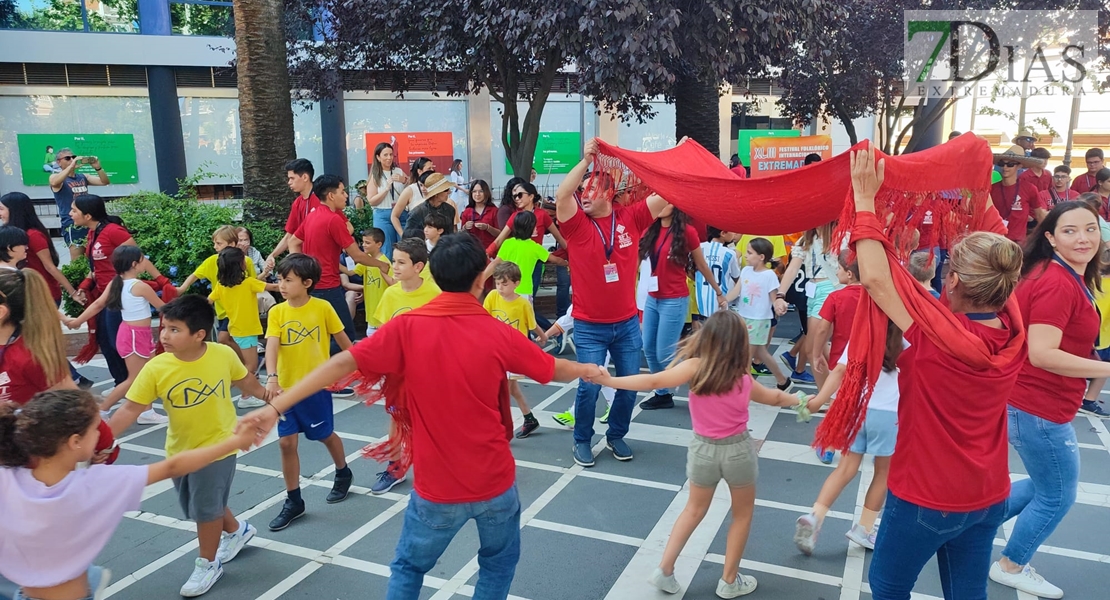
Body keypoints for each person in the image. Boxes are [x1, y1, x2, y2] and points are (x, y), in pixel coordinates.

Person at [239, 233, 597, 600]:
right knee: (498, 564)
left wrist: (275, 405)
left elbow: (344, 361)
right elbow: (553, 368)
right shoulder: (496, 332)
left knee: (409, 568)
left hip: (436, 490)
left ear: (434, 276)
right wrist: (590, 369)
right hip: (495, 483)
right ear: (481, 279)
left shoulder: (407, 326)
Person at [848, 147, 1027, 600]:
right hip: (987, 494)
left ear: (953, 282)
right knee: (967, 593)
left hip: (928, 497)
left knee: (889, 587)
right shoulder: (1013, 328)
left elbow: (873, 279)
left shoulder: (939, 337)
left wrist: (865, 200)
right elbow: (998, 245)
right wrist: (981, 192)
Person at [593, 310, 810, 598]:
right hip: (738, 451)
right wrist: (803, 401)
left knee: (693, 509)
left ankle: (665, 569)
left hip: (703, 450)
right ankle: (729, 581)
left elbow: (653, 382)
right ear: (739, 344)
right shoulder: (742, 378)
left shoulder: (695, 367)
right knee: (742, 515)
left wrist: (609, 381)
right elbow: (777, 397)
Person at [0, 390, 254, 600]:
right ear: (75, 441)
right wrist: (233, 442)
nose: (101, 433)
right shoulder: (97, 483)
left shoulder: (8, 477)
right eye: (95, 429)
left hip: (24, 593)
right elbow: (173, 466)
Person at [108, 295, 269, 597]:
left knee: (205, 510)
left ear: (199, 334)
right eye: (164, 328)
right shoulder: (157, 367)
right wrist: (104, 440)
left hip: (220, 445)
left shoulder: (222, 354)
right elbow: (131, 409)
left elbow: (246, 382)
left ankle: (207, 564)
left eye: (174, 330)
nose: (164, 335)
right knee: (202, 504)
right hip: (180, 450)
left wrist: (271, 399)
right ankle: (236, 532)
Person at [990, 201, 1110, 598]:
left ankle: (971, 526)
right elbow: (1043, 352)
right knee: (1058, 494)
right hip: (1037, 404)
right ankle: (1011, 564)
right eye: (1071, 230)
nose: (1083, 238)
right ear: (1051, 237)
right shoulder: (1057, 281)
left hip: (1033, 402)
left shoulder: (1056, 273)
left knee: (1044, 484)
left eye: (1090, 229)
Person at [554, 137, 670, 467]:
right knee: (589, 388)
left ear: (607, 192)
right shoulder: (576, 225)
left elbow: (667, 196)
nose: (582, 197)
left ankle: (617, 435)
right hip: (590, 325)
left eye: (589, 190)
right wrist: (586, 161)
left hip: (626, 324)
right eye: (582, 192)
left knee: (630, 386)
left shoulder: (630, 218)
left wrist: (675, 159)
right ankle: (581, 439)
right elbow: (563, 195)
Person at [264, 254, 356, 532]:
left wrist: (358, 365)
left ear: (307, 283)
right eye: (279, 279)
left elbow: (344, 342)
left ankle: (343, 472)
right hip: (285, 390)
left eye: (287, 280)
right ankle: (294, 500)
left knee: (324, 435)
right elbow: (271, 346)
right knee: (285, 443)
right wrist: (271, 378)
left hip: (316, 387)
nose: (281, 285)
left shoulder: (323, 308)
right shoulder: (277, 312)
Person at [794, 325, 902, 555]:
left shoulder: (864, 334)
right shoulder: (907, 338)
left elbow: (839, 371)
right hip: (889, 413)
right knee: (883, 473)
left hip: (858, 409)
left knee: (845, 468)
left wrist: (818, 402)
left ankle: (815, 517)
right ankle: (864, 528)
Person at [366, 238, 441, 494]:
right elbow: (383, 332)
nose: (394, 267)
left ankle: (435, 470)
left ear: (418, 266)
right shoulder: (391, 294)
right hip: (398, 372)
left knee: (431, 422)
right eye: (394, 261)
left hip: (429, 373)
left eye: (401, 262)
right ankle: (395, 467)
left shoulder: (435, 294)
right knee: (397, 419)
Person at [290, 174, 394, 357]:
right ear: (331, 196)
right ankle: (315, 365)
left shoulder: (312, 216)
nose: (346, 195)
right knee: (345, 336)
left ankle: (323, 377)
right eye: (342, 191)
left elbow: (293, 243)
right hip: (328, 287)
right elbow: (357, 255)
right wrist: (381, 265)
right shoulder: (333, 220)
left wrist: (302, 269)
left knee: (324, 334)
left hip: (314, 286)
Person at [70, 195, 164, 395]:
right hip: (106, 293)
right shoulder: (92, 233)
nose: (70, 214)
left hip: (119, 295)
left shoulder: (113, 231)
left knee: (117, 343)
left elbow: (138, 258)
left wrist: (162, 281)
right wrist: (86, 283)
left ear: (88, 215)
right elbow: (96, 266)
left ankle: (129, 386)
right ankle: (122, 383)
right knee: (106, 341)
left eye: (74, 210)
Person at [64, 246, 167, 420]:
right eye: (143, 259)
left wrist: (77, 321)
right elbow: (163, 307)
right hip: (135, 336)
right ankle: (103, 410)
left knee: (148, 373)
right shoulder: (140, 286)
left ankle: (146, 411)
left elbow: (97, 305)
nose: (146, 262)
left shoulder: (116, 282)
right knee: (133, 378)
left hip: (133, 334)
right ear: (135, 264)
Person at [484, 261, 548, 438]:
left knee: (502, 389)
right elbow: (483, 318)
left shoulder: (523, 304)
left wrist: (543, 336)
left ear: (516, 283)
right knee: (512, 390)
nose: (500, 288)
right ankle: (529, 418)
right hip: (496, 350)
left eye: (505, 284)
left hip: (514, 353)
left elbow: (532, 324)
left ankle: (501, 427)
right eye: (497, 283)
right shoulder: (492, 297)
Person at [209, 247, 279, 407]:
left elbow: (209, 300)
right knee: (250, 366)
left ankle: (241, 393)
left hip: (235, 330)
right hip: (248, 331)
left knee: (245, 365)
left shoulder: (221, 285)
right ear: (239, 265)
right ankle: (242, 395)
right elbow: (272, 287)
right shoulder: (248, 283)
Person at [176, 225, 255, 368]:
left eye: (219, 243)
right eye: (215, 243)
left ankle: (246, 364)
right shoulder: (212, 260)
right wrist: (181, 288)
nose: (215, 246)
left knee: (223, 338)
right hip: (223, 309)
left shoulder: (246, 261)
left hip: (241, 310)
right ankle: (245, 363)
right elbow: (195, 275)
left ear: (231, 244)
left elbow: (254, 284)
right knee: (226, 339)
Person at [774, 223, 841, 389]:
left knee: (813, 349)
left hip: (831, 291)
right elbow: (792, 268)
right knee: (821, 348)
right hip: (812, 292)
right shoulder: (806, 239)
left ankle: (828, 398)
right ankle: (834, 394)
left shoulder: (842, 237)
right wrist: (780, 295)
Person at [723, 237, 791, 391]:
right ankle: (782, 381)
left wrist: (779, 306)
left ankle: (742, 388)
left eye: (749, 253)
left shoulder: (769, 275)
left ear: (761, 257)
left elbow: (774, 298)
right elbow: (736, 291)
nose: (745, 256)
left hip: (760, 320)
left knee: (746, 355)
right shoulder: (746, 270)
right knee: (761, 352)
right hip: (744, 317)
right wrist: (723, 299)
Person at [265, 159, 352, 270]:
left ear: (305, 177)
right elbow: (290, 235)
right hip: (306, 264)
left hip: (324, 263)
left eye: (292, 178)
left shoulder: (322, 199)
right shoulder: (297, 202)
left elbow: (348, 227)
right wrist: (272, 255)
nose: (289, 182)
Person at [807, 251, 863, 386]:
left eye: (838, 268)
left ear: (849, 274)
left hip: (840, 356)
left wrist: (817, 354)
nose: (836, 273)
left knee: (837, 396)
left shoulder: (835, 297)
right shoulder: (873, 297)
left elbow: (822, 329)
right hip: (865, 356)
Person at [494, 211, 568, 302]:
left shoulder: (507, 243)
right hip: (525, 291)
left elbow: (495, 262)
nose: (537, 228)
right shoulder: (535, 247)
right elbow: (556, 260)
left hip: (506, 290)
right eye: (535, 226)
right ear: (529, 228)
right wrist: (567, 263)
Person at [50, 148, 108, 261]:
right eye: (68, 158)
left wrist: (98, 167)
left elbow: (104, 181)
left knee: (95, 255)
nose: (72, 160)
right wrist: (71, 167)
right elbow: (54, 182)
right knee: (78, 259)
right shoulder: (55, 177)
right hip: (72, 223)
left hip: (89, 221)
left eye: (73, 157)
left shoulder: (82, 176)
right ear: (59, 162)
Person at [990, 145, 1044, 243]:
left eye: (1010, 164)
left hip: (1018, 242)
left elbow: (1039, 215)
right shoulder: (992, 189)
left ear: (1019, 166)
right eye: (1002, 164)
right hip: (995, 240)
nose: (1005, 167)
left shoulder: (1029, 188)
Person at [349, 228, 395, 337]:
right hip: (370, 315)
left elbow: (393, 285)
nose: (363, 245)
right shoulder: (366, 259)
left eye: (367, 242)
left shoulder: (385, 263)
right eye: (363, 242)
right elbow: (350, 272)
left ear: (379, 244)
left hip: (381, 316)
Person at [365, 142, 408, 258]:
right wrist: (386, 189)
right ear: (378, 157)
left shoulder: (398, 171)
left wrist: (404, 180)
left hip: (400, 213)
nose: (389, 158)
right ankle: (388, 275)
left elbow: (411, 187)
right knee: (386, 249)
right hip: (383, 214)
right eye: (385, 155)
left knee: (405, 248)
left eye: (391, 154)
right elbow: (371, 201)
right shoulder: (375, 175)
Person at [695, 227, 740, 321]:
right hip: (720, 299)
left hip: (700, 299)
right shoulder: (729, 253)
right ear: (723, 233)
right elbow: (737, 278)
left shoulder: (699, 247)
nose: (734, 233)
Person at [402, 173, 457, 241]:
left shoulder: (450, 210)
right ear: (436, 193)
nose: (449, 192)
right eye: (446, 189)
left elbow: (450, 234)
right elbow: (407, 236)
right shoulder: (417, 212)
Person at [390, 157, 436, 236]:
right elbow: (394, 216)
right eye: (429, 168)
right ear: (419, 171)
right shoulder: (410, 190)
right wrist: (403, 235)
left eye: (432, 168)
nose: (432, 170)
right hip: (417, 237)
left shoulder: (437, 187)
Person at [460, 179, 500, 252]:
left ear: (486, 192)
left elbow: (500, 234)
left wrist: (488, 227)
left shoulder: (494, 211)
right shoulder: (467, 212)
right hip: (473, 251)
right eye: (474, 191)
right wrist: (465, 227)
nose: (477, 194)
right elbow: (462, 235)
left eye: (481, 191)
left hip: (491, 251)